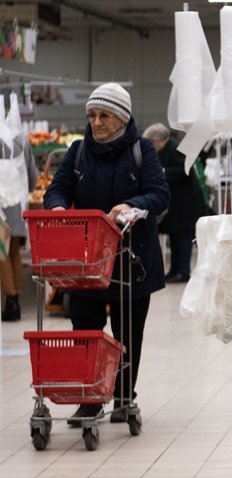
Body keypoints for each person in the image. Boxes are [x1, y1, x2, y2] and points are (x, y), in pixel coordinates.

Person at [43, 83, 170, 425]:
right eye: (92, 115)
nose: (96, 123)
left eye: (104, 116)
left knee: (128, 334)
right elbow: (58, 188)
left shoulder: (142, 150)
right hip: (86, 262)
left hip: (133, 260)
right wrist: (56, 208)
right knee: (86, 332)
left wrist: (132, 205)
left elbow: (159, 195)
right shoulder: (79, 151)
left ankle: (124, 397)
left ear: (122, 118)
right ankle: (90, 400)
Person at [143, 123, 207, 283]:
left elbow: (185, 170)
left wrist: (163, 172)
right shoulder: (166, 150)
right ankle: (174, 270)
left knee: (183, 238)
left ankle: (183, 272)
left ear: (158, 140)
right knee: (174, 237)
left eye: (151, 142)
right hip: (175, 203)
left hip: (185, 203)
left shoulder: (176, 149)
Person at [0, 138, 38, 321]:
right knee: (13, 251)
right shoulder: (21, 140)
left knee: (2, 252)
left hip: (1, 205)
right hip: (17, 203)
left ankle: (11, 300)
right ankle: (15, 299)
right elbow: (32, 175)